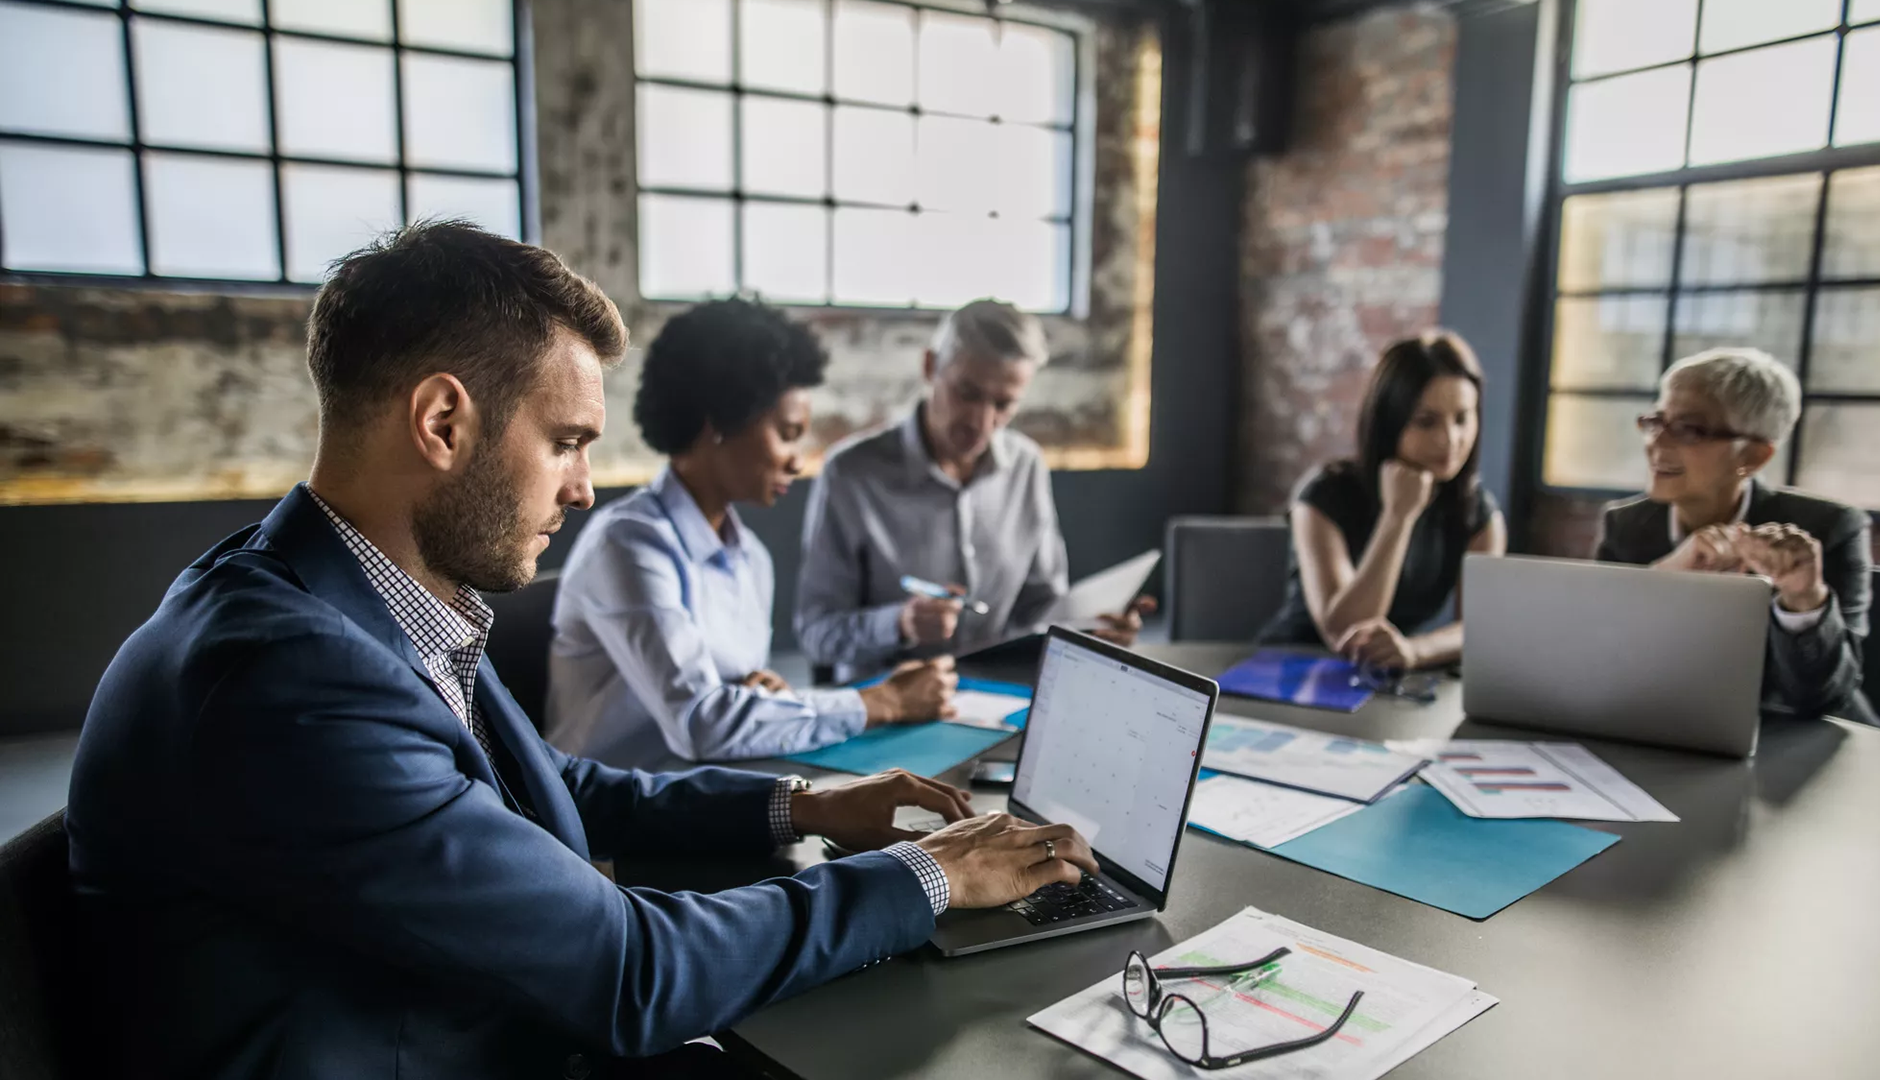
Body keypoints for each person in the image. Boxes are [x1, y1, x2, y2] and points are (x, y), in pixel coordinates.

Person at [64, 222, 1099, 1080]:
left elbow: (542, 782)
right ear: (442, 422)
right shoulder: (289, 679)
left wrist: (803, 804)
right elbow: (629, 975)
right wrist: (926, 874)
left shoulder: (352, 592)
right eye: (565, 441)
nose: (583, 487)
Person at [546, 298, 957, 768]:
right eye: (787, 433)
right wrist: (885, 701)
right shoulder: (626, 545)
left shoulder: (751, 559)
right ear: (720, 423)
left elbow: (730, 706)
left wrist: (769, 699)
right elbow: (703, 722)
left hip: (709, 787)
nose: (797, 461)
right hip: (607, 806)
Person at [795, 298, 1151, 682]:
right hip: (886, 702)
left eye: (1004, 404)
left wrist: (1092, 629)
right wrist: (899, 624)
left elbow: (1041, 609)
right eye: (967, 393)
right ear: (930, 366)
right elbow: (816, 633)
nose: (981, 422)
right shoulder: (850, 474)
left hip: (1000, 695)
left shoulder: (1026, 466)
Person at [1595, 347, 1878, 724]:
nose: (1657, 444)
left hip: (1803, 737)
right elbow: (1596, 655)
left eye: (1688, 430)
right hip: (1675, 727)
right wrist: (1662, 579)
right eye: (1656, 422)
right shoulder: (1626, 525)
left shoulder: (1830, 529)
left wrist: (1803, 598)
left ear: (1753, 457)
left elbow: (1823, 697)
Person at [1257, 331, 1507, 670]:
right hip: (1293, 666)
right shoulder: (1323, 494)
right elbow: (1346, 632)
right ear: (1389, 423)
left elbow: (1479, 627)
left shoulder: (1478, 513)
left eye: (1462, 418)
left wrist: (1414, 651)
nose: (1450, 439)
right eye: (1426, 422)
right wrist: (1398, 516)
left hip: (1381, 675)